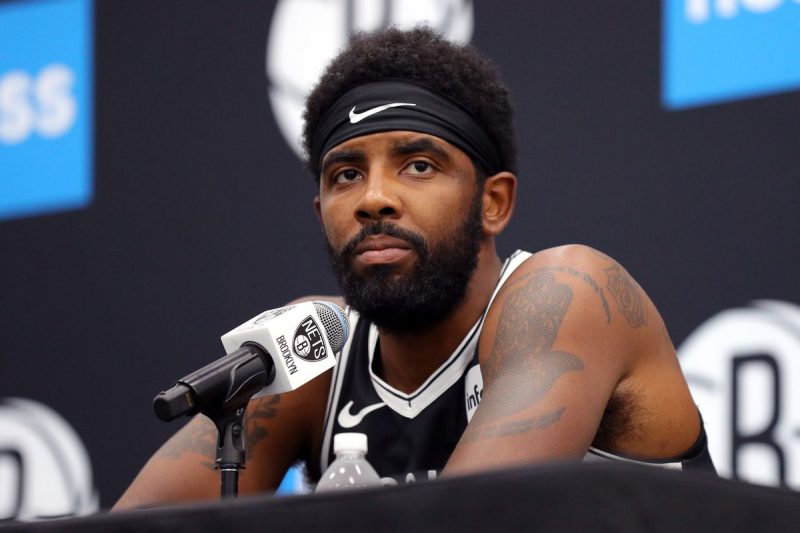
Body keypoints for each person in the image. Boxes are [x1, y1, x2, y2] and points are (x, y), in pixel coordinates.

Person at [113, 27, 714, 509]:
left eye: (419, 165)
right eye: (346, 174)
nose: (374, 198)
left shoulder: (567, 292)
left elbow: (468, 519)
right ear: (321, 212)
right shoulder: (314, 352)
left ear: (493, 202)